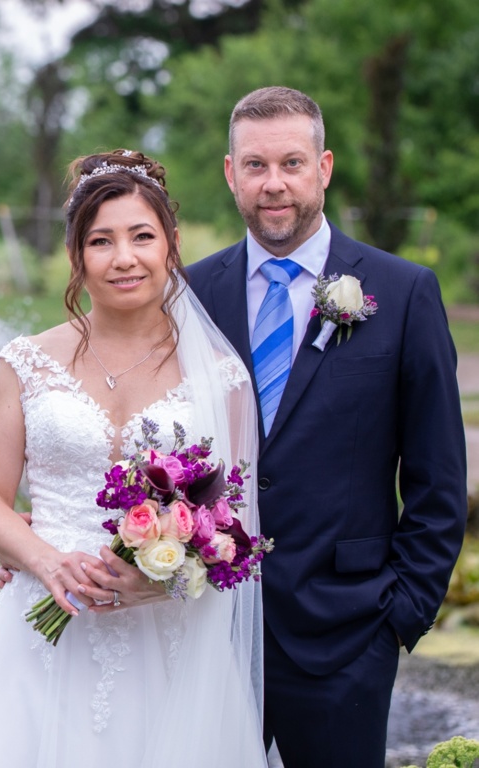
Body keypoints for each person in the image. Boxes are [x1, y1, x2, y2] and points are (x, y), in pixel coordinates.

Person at [0, 149, 268, 767]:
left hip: (169, 644)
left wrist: (164, 579)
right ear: (76, 256)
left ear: (171, 244)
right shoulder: (24, 363)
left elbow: (234, 528)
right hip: (41, 628)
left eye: (142, 237)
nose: (123, 258)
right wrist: (47, 564)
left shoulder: (221, 376)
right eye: (100, 241)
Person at [184, 86, 468, 767]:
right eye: (254, 166)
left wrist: (401, 614)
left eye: (291, 163)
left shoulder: (402, 294)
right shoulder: (189, 293)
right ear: (230, 174)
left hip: (348, 631)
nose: (273, 184)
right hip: (205, 632)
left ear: (325, 167)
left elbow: (438, 475)